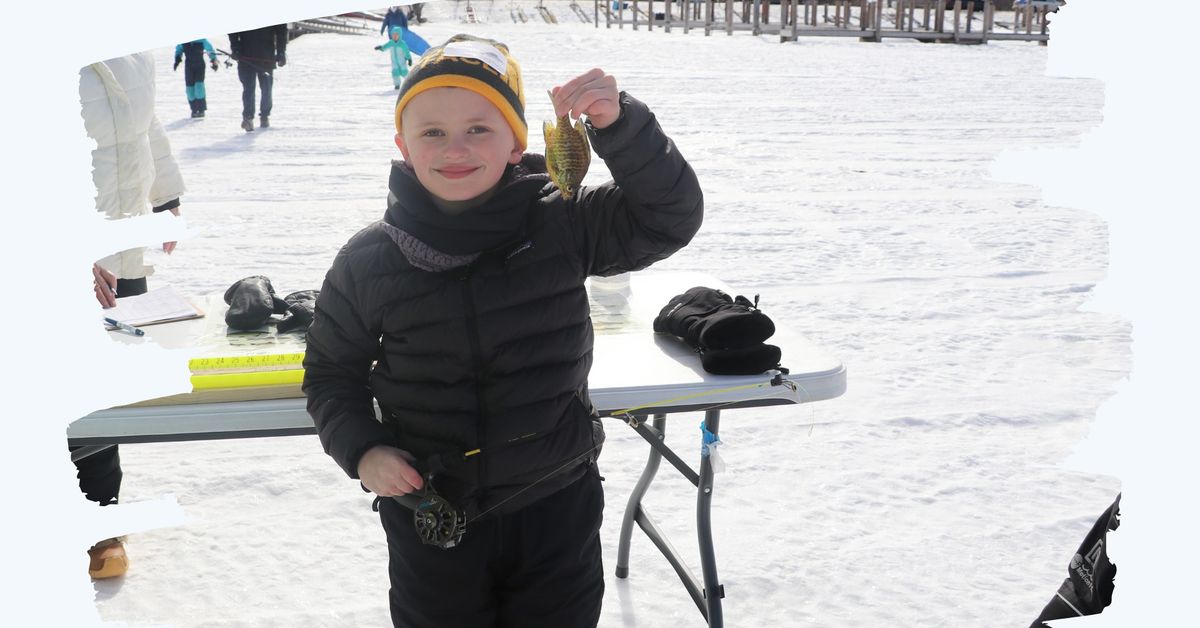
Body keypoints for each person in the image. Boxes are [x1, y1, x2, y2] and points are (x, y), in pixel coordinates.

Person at [302, 34, 703, 627]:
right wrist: (364, 452)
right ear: (403, 146)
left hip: (556, 508)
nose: (454, 149)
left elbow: (667, 218)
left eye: (479, 129)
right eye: (432, 132)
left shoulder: (564, 221)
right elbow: (331, 374)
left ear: (519, 144)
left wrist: (621, 128)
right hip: (430, 512)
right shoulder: (368, 262)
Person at [78, 51, 186, 578]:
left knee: (101, 392)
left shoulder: (128, 47)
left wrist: (164, 198)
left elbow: (144, 126)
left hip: (119, 248)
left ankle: (99, 520)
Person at [227, 24, 288, 132]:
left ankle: (264, 115)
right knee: (248, 89)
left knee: (266, 89)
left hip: (266, 57)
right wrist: (235, 48)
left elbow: (281, 31)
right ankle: (248, 118)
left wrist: (281, 52)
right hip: (245, 56)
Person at [173, 39, 220, 118]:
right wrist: (177, 58)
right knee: (189, 90)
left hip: (200, 66)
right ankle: (194, 109)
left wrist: (213, 60)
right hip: (189, 67)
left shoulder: (202, 40)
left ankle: (201, 110)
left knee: (199, 87)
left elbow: (209, 49)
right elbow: (179, 49)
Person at [374, 26, 412, 90]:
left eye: (396, 35)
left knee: (404, 72)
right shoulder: (391, 43)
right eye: (393, 34)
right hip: (394, 62)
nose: (394, 36)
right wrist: (381, 47)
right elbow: (385, 47)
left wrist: (409, 59)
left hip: (402, 62)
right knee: (395, 73)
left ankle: (410, 83)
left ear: (399, 35)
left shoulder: (402, 44)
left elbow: (406, 52)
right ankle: (397, 85)